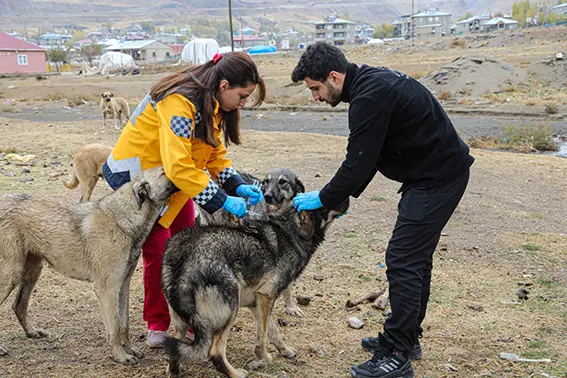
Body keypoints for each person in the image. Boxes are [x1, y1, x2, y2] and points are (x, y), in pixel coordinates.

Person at [291, 42, 474, 378]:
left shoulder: (369, 97)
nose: (315, 97)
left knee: (403, 260)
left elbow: (358, 163)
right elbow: (371, 156)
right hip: (431, 175)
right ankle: (406, 338)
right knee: (415, 261)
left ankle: (397, 355)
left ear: (334, 76)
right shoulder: (369, 86)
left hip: (437, 179)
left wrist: (325, 198)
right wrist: (340, 197)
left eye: (316, 88)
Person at [102, 52, 265, 348]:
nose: (243, 104)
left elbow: (212, 152)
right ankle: (157, 323)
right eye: (242, 96)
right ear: (225, 85)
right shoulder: (178, 103)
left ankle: (189, 316)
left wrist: (237, 184)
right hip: (143, 185)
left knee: (190, 249)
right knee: (160, 253)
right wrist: (222, 201)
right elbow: (178, 165)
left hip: (176, 186)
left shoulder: (213, 105)